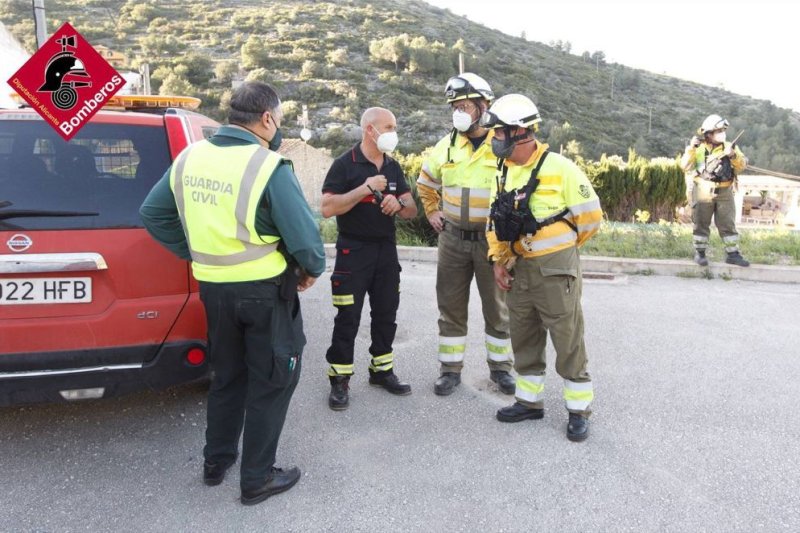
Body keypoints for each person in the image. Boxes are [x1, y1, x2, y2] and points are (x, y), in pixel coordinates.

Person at [139, 81, 325, 505]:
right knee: (273, 379)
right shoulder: (267, 166)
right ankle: (256, 478)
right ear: (266, 118)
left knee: (228, 376)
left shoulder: (190, 157)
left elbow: (152, 213)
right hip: (264, 292)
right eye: (278, 119)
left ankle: (216, 462)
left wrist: (194, 251)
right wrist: (310, 269)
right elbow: (307, 243)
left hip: (215, 290)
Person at [481, 94, 603, 442]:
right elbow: (496, 220)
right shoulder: (502, 172)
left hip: (554, 269)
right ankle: (529, 403)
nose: (494, 139)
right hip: (518, 266)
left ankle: (578, 410)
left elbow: (591, 219)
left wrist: (560, 249)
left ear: (521, 132)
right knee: (524, 335)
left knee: (567, 338)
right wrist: (498, 260)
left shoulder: (561, 168)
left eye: (500, 132)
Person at [416, 73, 515, 396]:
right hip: (453, 239)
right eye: (454, 106)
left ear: (484, 107)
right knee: (450, 308)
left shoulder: (502, 146)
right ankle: (450, 370)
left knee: (497, 310)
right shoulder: (445, 147)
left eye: (465, 105)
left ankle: (501, 370)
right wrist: (431, 210)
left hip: (491, 242)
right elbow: (425, 181)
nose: (458, 111)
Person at [321, 107, 418, 410]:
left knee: (386, 314)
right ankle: (339, 380)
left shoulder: (393, 166)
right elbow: (327, 207)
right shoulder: (344, 164)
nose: (393, 132)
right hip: (353, 251)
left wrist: (397, 202)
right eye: (388, 126)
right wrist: (364, 188)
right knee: (348, 317)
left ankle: (381, 371)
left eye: (394, 126)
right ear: (369, 130)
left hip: (386, 252)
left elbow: (411, 210)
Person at [681, 114, 749, 267]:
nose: (722, 133)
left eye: (723, 130)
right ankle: (700, 254)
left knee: (728, 223)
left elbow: (742, 165)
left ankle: (732, 254)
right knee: (700, 222)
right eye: (718, 130)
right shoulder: (697, 148)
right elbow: (684, 166)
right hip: (702, 190)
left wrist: (733, 155)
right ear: (708, 133)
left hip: (725, 191)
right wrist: (691, 149)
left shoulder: (730, 147)